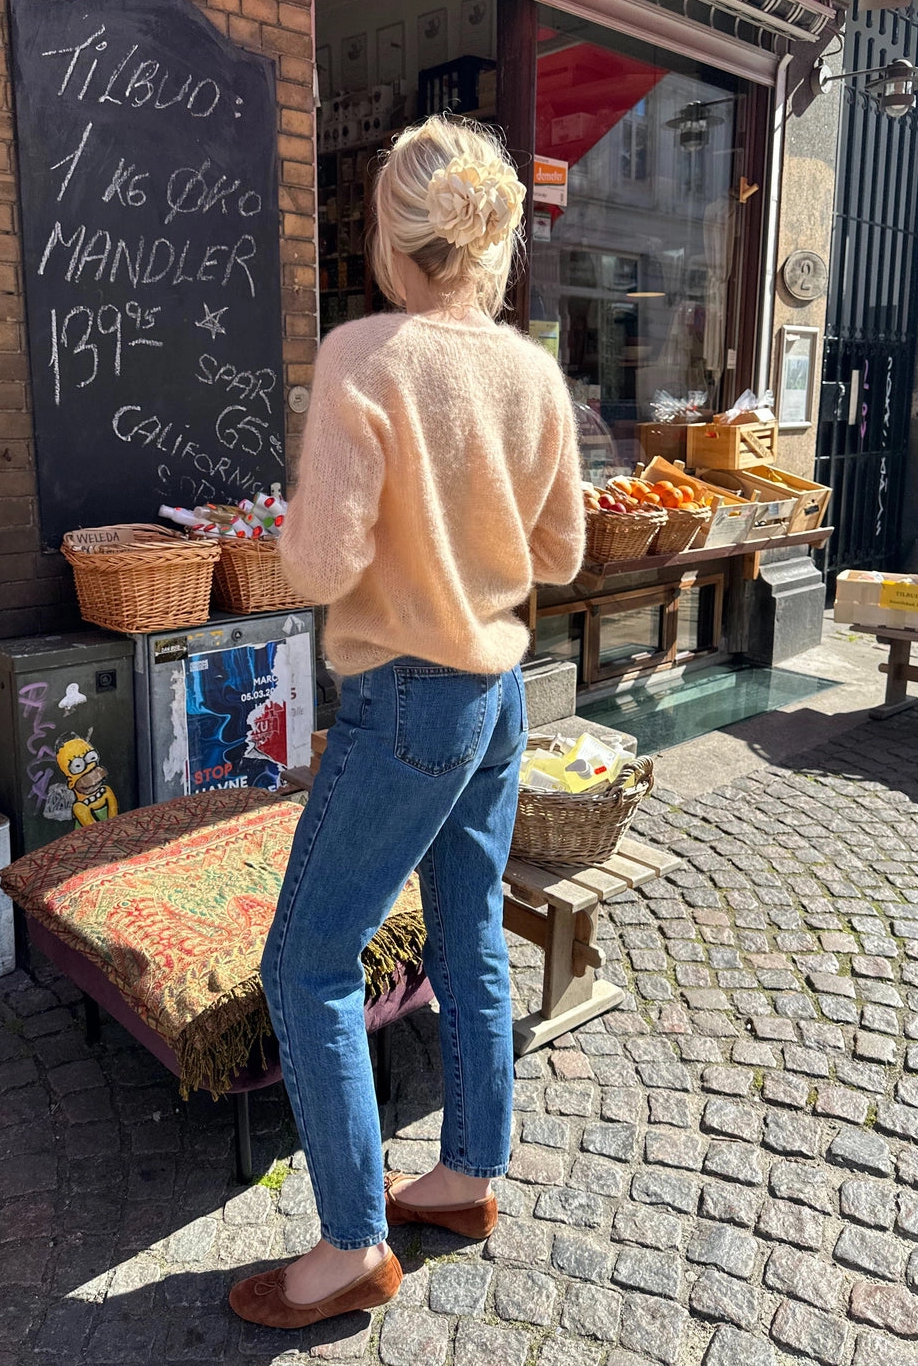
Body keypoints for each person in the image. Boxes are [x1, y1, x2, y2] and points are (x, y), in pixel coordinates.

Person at [229, 115, 585, 1328]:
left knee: (308, 960)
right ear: (488, 244)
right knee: (469, 929)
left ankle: (350, 1246)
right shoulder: (531, 372)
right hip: (496, 696)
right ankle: (472, 1176)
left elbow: (322, 564)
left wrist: (314, 524)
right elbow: (565, 549)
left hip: (405, 700)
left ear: (389, 233)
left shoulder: (362, 358)